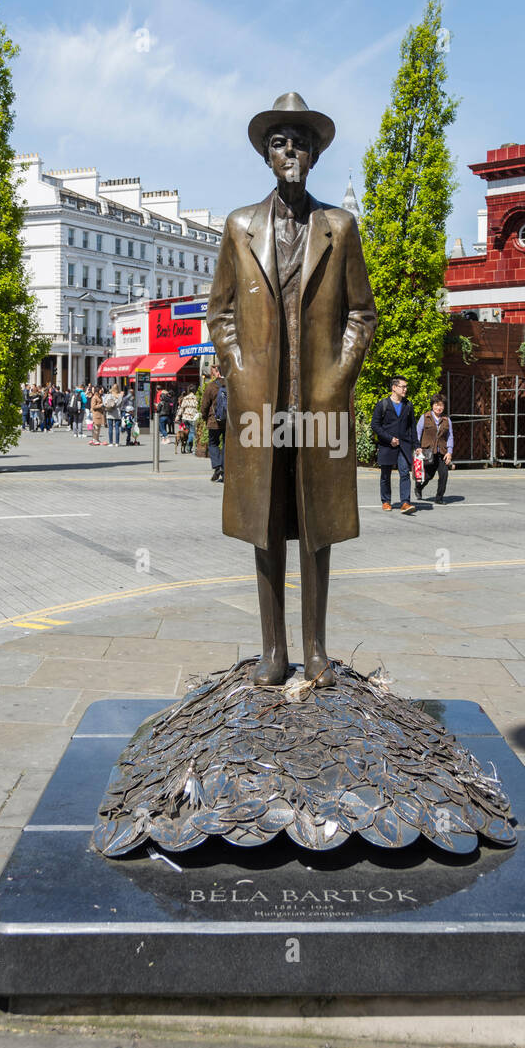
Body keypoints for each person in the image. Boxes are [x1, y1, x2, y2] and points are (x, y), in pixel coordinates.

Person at [207, 91, 376, 687]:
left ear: (315, 155)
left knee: (317, 525)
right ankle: (273, 650)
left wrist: (337, 376)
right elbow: (221, 312)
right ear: (266, 156)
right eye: (279, 143)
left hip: (318, 405)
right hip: (261, 406)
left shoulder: (340, 228)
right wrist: (239, 369)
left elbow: (363, 313)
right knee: (266, 524)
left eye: (300, 143)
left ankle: (317, 648)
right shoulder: (239, 226)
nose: (290, 152)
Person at [371, 376, 417, 514]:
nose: (405, 389)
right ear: (394, 387)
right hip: (387, 445)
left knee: (404, 473)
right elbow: (375, 425)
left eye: (406, 387)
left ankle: (405, 502)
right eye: (403, 386)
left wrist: (417, 445)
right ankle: (386, 501)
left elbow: (412, 427)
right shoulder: (382, 404)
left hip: (404, 445)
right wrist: (389, 438)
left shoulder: (408, 405)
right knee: (385, 475)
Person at [415, 393, 454, 504]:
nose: (439, 407)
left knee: (444, 475)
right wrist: (417, 447)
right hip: (428, 451)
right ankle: (418, 487)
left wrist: (449, 452)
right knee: (428, 476)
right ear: (432, 405)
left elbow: (450, 436)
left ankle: (439, 498)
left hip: (442, 452)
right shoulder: (425, 417)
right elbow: (418, 433)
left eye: (441, 405)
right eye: (437, 405)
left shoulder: (447, 420)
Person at [200, 363, 226, 481]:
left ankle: (217, 466)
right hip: (228, 422)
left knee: (213, 443)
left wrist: (205, 417)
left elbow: (204, 405)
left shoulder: (211, 386)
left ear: (217, 372)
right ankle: (224, 470)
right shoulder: (231, 385)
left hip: (214, 421)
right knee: (226, 445)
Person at [176, 387, 199, 453]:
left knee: (186, 432)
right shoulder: (196, 398)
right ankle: (188, 447)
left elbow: (181, 408)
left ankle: (186, 447)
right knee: (192, 432)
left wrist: (177, 417)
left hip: (185, 417)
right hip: (192, 417)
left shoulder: (185, 398)